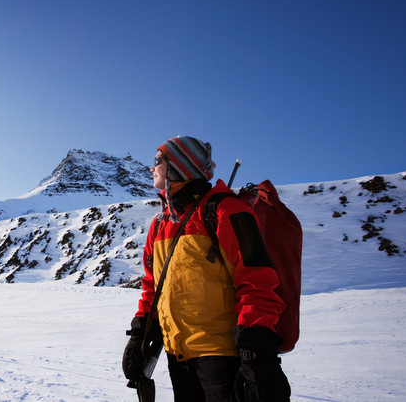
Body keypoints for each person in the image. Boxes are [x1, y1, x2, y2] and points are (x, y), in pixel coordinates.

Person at [122, 136, 291, 402]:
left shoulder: (226, 211)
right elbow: (153, 287)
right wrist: (139, 333)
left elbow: (257, 283)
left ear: (179, 166)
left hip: (222, 358)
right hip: (177, 356)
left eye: (158, 161)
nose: (151, 168)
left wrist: (256, 354)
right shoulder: (159, 225)